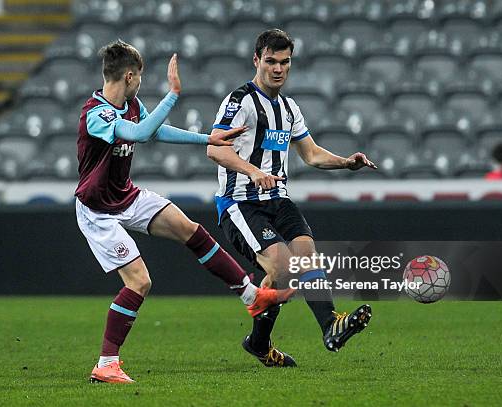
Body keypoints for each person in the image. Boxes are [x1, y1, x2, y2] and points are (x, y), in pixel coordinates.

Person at [75, 40, 292, 384]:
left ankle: (252, 296)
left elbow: (157, 130)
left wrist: (209, 139)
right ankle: (106, 363)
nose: (141, 83)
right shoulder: (96, 114)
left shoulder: (129, 103)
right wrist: (173, 94)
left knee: (189, 229)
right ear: (130, 76)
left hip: (125, 195)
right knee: (140, 281)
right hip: (97, 210)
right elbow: (140, 134)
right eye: (140, 77)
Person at [207, 29, 377, 367]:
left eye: (284, 62)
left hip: (278, 199)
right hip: (241, 201)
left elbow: (311, 154)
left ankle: (330, 326)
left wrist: (345, 163)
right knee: (283, 269)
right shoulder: (240, 101)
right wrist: (252, 171)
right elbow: (214, 147)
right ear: (257, 60)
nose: (278, 68)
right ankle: (261, 341)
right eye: (270, 61)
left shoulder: (288, 108)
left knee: (304, 258)